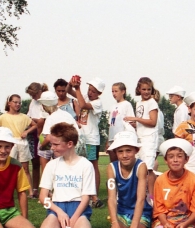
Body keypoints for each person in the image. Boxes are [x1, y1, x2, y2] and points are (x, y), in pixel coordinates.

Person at [37, 122, 96, 228]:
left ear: (70, 144)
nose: (52, 147)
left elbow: (86, 198)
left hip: (78, 207)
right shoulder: (51, 165)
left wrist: (74, 218)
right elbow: (43, 198)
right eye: (51, 144)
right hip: (57, 207)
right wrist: (58, 212)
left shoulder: (86, 165)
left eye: (56, 144)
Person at [152, 138, 195, 228]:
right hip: (166, 220)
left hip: (186, 220)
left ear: (186, 159)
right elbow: (159, 209)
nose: (175, 160)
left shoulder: (194, 180)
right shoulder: (160, 180)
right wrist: (165, 223)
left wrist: (185, 224)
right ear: (166, 160)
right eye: (171, 157)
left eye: (179, 156)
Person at [106, 130, 153, 228]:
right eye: (120, 151)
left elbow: (141, 199)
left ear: (136, 150)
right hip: (122, 211)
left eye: (129, 150)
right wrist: (115, 225)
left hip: (141, 212)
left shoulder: (141, 166)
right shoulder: (111, 168)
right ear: (115, 152)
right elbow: (111, 198)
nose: (124, 155)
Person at [68, 76, 105, 208]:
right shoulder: (85, 96)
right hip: (82, 137)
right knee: (81, 165)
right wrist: (71, 83)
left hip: (91, 139)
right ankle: (85, 194)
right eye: (89, 89)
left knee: (93, 166)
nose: (90, 93)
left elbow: (82, 105)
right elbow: (69, 92)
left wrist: (77, 89)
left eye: (93, 91)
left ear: (99, 93)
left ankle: (94, 194)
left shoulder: (98, 103)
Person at [0, 94, 38, 197]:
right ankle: (5, 191)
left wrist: (27, 132)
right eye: (15, 102)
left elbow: (35, 125)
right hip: (9, 143)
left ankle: (30, 192)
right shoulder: (3, 117)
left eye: (19, 103)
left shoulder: (24, 116)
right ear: (9, 103)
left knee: (25, 168)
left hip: (22, 143)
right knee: (7, 167)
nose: (18, 104)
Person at [125, 77, 159, 203]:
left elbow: (153, 122)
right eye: (143, 89)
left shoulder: (152, 103)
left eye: (148, 89)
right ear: (139, 89)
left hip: (149, 138)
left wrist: (136, 119)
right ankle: (142, 194)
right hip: (140, 138)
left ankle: (151, 197)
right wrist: (133, 124)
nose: (146, 92)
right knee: (140, 167)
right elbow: (142, 122)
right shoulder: (139, 103)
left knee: (149, 168)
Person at [36, 92, 81, 172]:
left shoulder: (51, 118)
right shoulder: (65, 114)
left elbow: (48, 138)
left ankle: (45, 174)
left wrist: (41, 147)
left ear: (44, 106)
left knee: (43, 148)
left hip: (63, 147)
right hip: (75, 146)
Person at [25, 82, 48, 198]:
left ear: (40, 92)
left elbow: (43, 118)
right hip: (33, 133)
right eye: (31, 96)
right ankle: (34, 189)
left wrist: (35, 120)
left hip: (43, 133)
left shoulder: (46, 100)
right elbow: (28, 117)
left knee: (45, 162)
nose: (33, 97)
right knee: (34, 162)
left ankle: (47, 190)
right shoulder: (33, 102)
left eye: (34, 95)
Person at [106, 82, 134, 163]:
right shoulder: (112, 106)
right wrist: (108, 141)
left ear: (123, 91)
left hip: (122, 139)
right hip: (112, 139)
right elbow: (111, 124)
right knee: (113, 163)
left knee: (121, 163)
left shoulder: (127, 105)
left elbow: (130, 123)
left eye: (116, 91)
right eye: (112, 91)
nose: (114, 93)